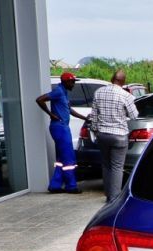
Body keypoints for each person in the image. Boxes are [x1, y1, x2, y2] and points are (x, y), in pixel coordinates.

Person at [89, 70, 138, 202]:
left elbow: (93, 116)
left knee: (106, 165)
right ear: (123, 82)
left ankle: (107, 194)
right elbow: (134, 115)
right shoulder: (125, 95)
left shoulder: (98, 92)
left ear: (112, 79)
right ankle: (114, 198)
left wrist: (95, 131)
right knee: (117, 166)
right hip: (119, 135)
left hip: (102, 134)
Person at [35, 72, 87, 193]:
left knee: (61, 158)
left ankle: (55, 185)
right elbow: (39, 99)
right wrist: (51, 114)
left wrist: (85, 118)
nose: (73, 84)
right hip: (60, 127)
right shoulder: (58, 91)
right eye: (72, 82)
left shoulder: (64, 92)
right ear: (66, 81)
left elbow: (69, 110)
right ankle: (71, 186)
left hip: (63, 127)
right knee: (69, 158)